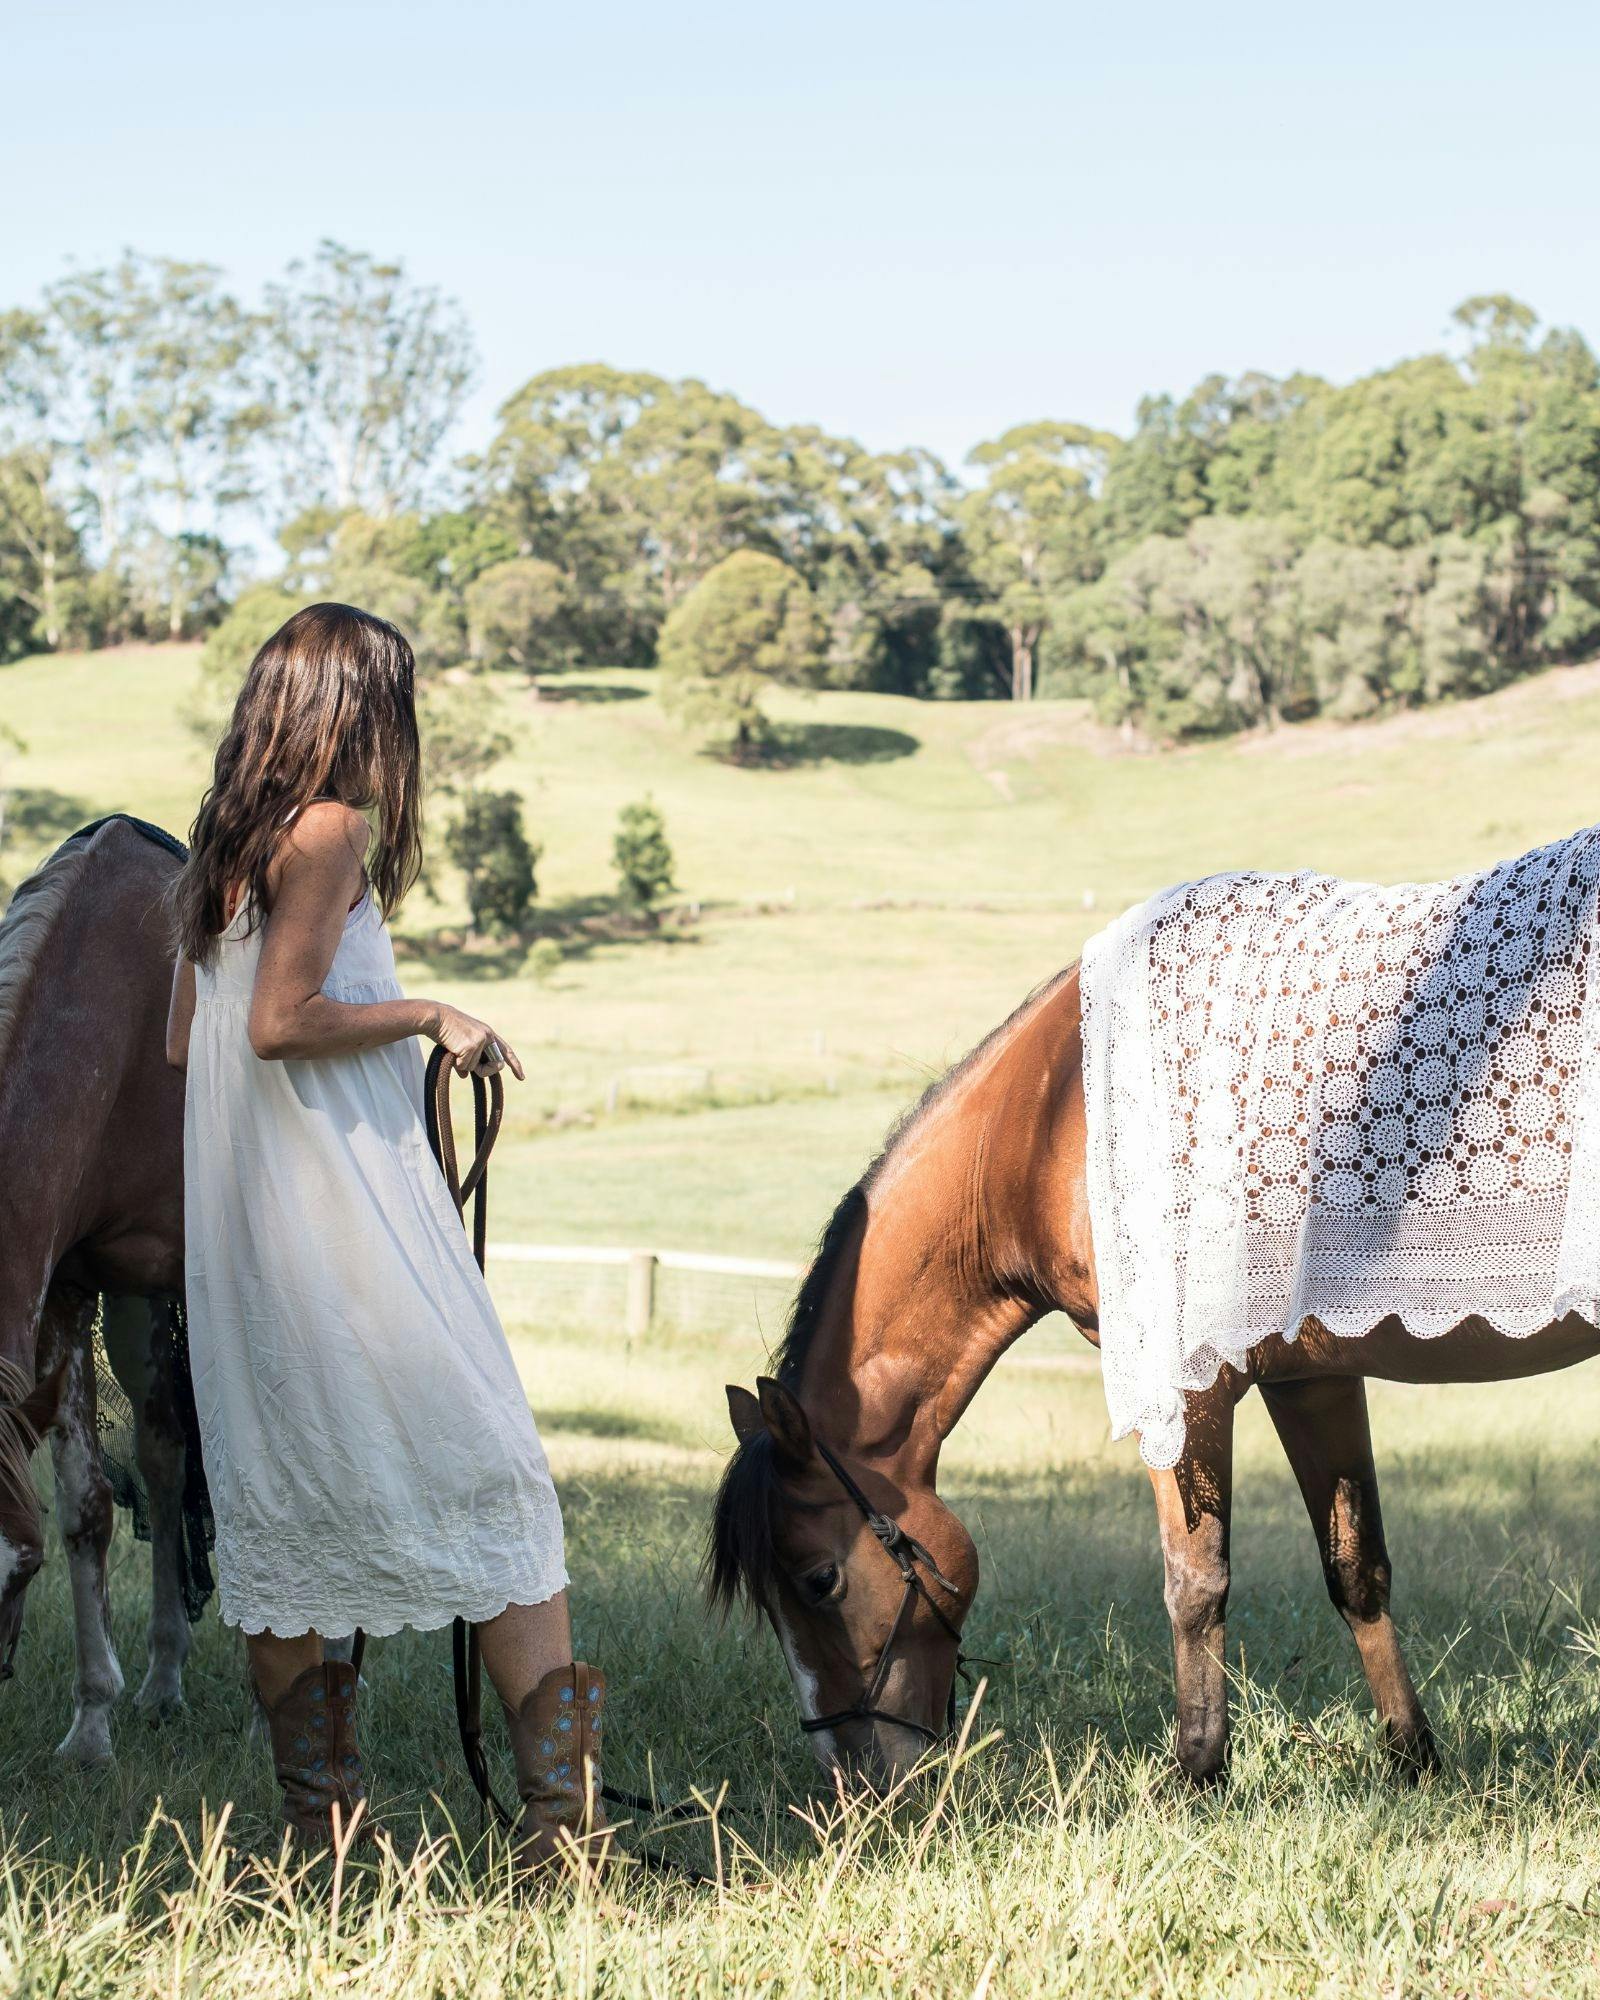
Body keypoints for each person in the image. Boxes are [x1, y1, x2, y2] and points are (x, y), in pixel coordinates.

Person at [165, 601, 606, 1868]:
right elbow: (276, 1022)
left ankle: (326, 1836)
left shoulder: (216, 855)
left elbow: (184, 1045)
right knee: (502, 1477)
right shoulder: (330, 829)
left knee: (281, 1510)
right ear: (357, 707)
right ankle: (559, 1836)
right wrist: (431, 1014)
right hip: (348, 1214)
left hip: (254, 1229)